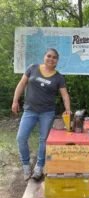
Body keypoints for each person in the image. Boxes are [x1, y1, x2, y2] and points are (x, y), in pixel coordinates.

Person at [12, 48, 72, 181]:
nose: (51, 59)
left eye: (54, 57)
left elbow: (64, 95)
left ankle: (39, 167)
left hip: (47, 113)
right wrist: (15, 100)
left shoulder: (58, 77)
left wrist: (68, 109)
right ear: (44, 56)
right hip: (29, 111)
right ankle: (26, 165)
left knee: (43, 140)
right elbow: (21, 84)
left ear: (57, 61)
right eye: (49, 56)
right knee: (21, 138)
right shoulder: (32, 68)